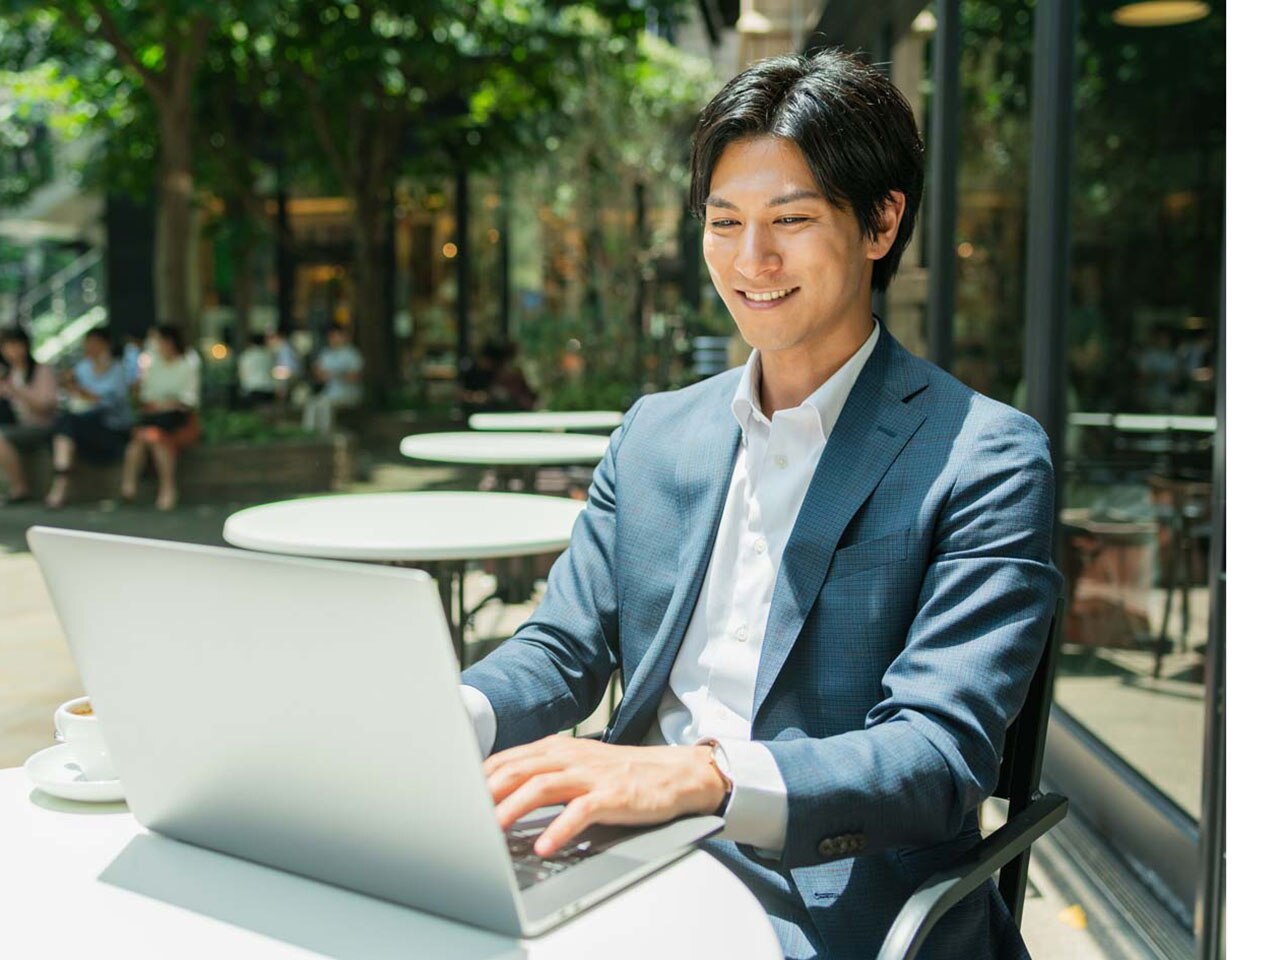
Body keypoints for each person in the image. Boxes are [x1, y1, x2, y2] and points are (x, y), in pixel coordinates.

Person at [457, 51, 1060, 960]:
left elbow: (936, 754)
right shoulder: (656, 433)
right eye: (725, 221)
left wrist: (700, 777)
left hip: (834, 904)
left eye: (791, 219)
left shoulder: (982, 456)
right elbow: (562, 649)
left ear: (882, 222)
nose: (752, 260)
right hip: (621, 854)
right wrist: (450, 718)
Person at [44, 326, 133, 509]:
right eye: (88, 344)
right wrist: (70, 384)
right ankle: (61, 481)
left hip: (110, 429)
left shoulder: (118, 370)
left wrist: (81, 391)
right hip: (83, 426)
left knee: (67, 423)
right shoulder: (83, 368)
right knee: (65, 422)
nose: (90, 348)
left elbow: (108, 402)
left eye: (95, 343)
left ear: (106, 345)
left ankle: (60, 484)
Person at [120, 324, 201, 511]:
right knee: (148, 438)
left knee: (152, 438)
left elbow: (189, 399)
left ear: (169, 341)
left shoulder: (188, 360)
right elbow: (146, 396)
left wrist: (167, 404)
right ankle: (154, 488)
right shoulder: (149, 361)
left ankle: (156, 488)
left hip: (179, 420)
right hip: (155, 419)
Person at [0, 327, 58, 504]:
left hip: (41, 426)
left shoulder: (42, 371)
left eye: (16, 345)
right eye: (8, 346)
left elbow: (45, 407)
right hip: (15, 426)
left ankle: (19, 488)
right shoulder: (7, 374)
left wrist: (16, 391)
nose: (13, 351)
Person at [302, 324, 363, 434]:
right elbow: (319, 376)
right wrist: (319, 373)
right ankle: (310, 433)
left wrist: (336, 375)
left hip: (348, 393)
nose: (334, 339)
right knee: (312, 403)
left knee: (325, 405)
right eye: (331, 336)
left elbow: (356, 376)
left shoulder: (352, 353)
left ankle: (326, 434)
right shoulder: (326, 354)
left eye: (336, 336)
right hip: (330, 393)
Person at [237, 333, 276, 408]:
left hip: (252, 389)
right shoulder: (269, 355)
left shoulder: (246, 356)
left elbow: (242, 374)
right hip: (268, 389)